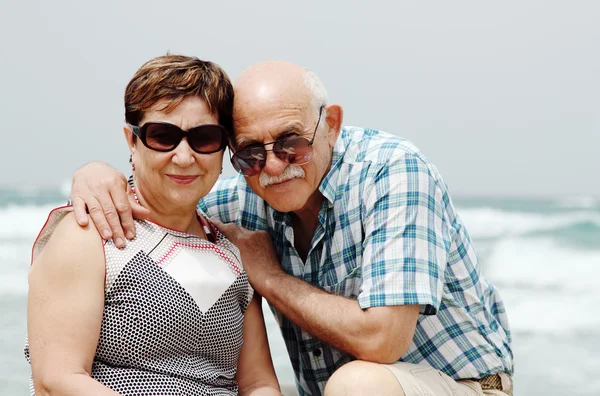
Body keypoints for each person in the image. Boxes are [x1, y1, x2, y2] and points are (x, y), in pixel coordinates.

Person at [70, 60, 513, 396]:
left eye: (291, 143)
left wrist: (269, 277)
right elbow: (163, 194)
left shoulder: (392, 172)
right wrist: (95, 175)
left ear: (332, 125)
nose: (274, 167)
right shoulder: (246, 196)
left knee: (358, 384)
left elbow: (383, 339)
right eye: (250, 153)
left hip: (465, 385)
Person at [26, 55, 281, 396]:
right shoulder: (89, 234)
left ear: (224, 149)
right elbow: (57, 380)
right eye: (163, 136)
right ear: (131, 141)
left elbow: (258, 384)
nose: (184, 156)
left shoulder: (232, 253)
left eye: (204, 138)